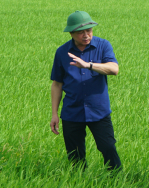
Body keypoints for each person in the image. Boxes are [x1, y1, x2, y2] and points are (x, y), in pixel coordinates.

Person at [50, 10, 122, 170]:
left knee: (108, 147)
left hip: (99, 111)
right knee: (75, 155)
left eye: (89, 30)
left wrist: (88, 65)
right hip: (72, 111)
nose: (86, 35)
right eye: (80, 32)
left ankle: (117, 180)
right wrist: (54, 114)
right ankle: (79, 183)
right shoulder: (62, 52)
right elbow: (57, 84)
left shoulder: (103, 45)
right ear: (71, 33)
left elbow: (114, 69)